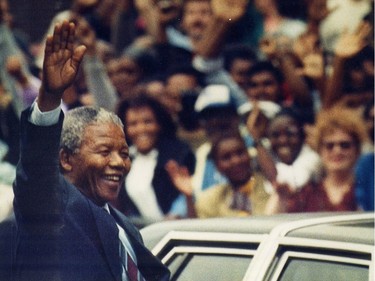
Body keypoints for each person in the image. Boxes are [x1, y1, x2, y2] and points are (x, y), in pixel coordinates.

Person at [12, 20, 170, 281]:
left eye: (124, 153)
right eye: (105, 151)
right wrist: (50, 97)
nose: (119, 162)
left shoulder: (125, 226)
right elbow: (35, 169)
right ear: (66, 159)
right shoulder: (52, 208)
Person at [267, 106, 368, 213]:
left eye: (345, 145)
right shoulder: (308, 192)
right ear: (319, 150)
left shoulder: (367, 188)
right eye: (330, 146)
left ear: (357, 150)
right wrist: (281, 199)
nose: (337, 151)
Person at [113, 93, 196, 222]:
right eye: (133, 124)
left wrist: (177, 213)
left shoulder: (179, 153)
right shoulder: (123, 160)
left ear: (159, 124)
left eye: (148, 122)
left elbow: (191, 193)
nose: (141, 129)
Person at [167, 131, 271, 218]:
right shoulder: (211, 199)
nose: (236, 161)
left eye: (240, 153)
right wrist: (188, 198)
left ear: (248, 154)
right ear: (217, 166)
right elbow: (198, 233)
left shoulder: (269, 186)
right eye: (226, 157)